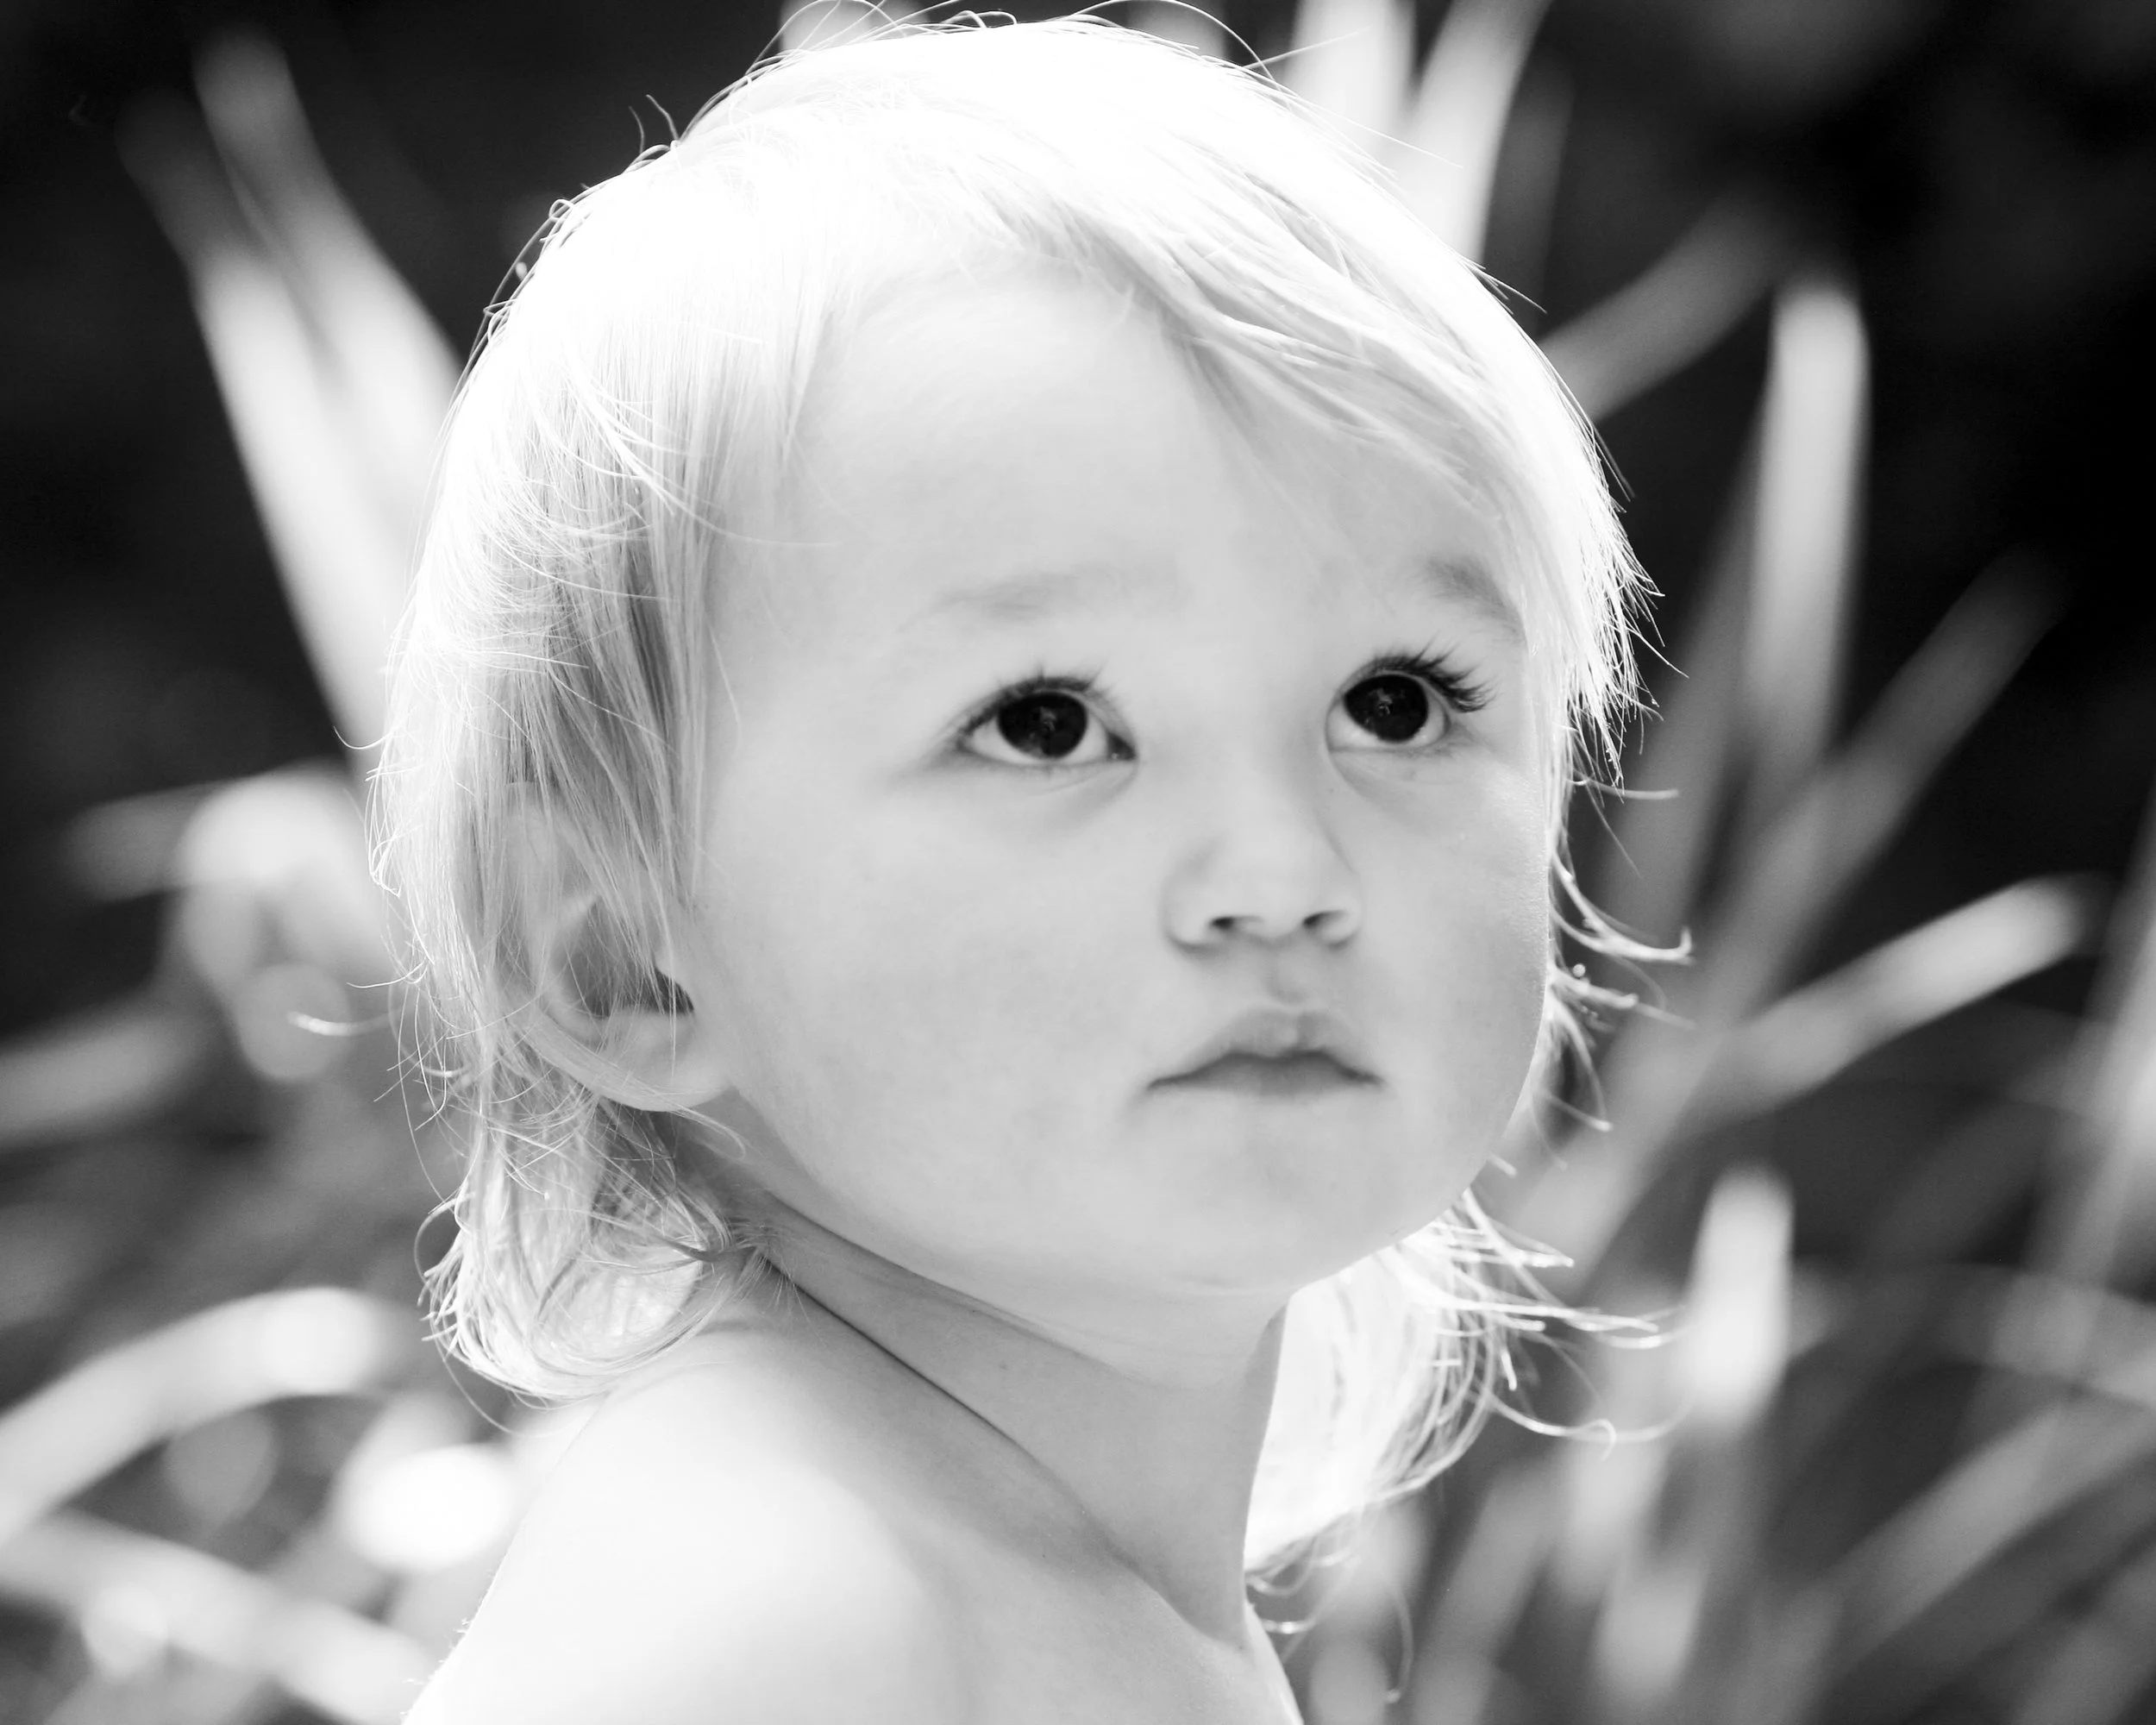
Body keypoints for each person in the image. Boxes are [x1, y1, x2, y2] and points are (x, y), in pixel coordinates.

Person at [377, 10, 1645, 1721]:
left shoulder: (1026, 1572)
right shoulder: (772, 1607)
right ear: (624, 951)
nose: (1277, 872)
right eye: (1046, 724)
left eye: (1392, 701)